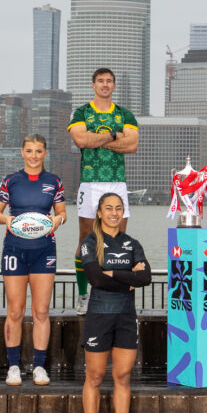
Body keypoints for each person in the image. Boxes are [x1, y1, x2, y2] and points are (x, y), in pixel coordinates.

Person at [0, 134, 67, 386]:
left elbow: (62, 212)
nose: (34, 156)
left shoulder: (54, 181)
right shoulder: (10, 180)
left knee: (41, 311)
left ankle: (39, 367)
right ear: (22, 152)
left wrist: (58, 219)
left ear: (45, 153)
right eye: (30, 151)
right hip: (15, 249)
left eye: (39, 151)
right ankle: (13, 366)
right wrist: (6, 219)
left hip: (44, 250)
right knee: (15, 311)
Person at [79, 193, 150, 413]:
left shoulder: (132, 243)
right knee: (95, 376)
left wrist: (114, 274)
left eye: (118, 208)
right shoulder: (89, 243)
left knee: (122, 377)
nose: (114, 213)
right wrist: (128, 280)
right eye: (108, 208)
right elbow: (96, 279)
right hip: (99, 316)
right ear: (99, 212)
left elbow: (145, 277)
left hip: (126, 318)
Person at [68, 68, 139, 315]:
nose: (105, 85)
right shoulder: (81, 112)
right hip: (90, 182)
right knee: (86, 239)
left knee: (119, 240)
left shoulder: (125, 114)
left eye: (109, 81)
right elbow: (81, 141)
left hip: (117, 182)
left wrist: (97, 138)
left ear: (114, 86)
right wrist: (114, 135)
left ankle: (115, 294)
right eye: (100, 81)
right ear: (93, 85)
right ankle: (83, 294)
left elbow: (132, 145)